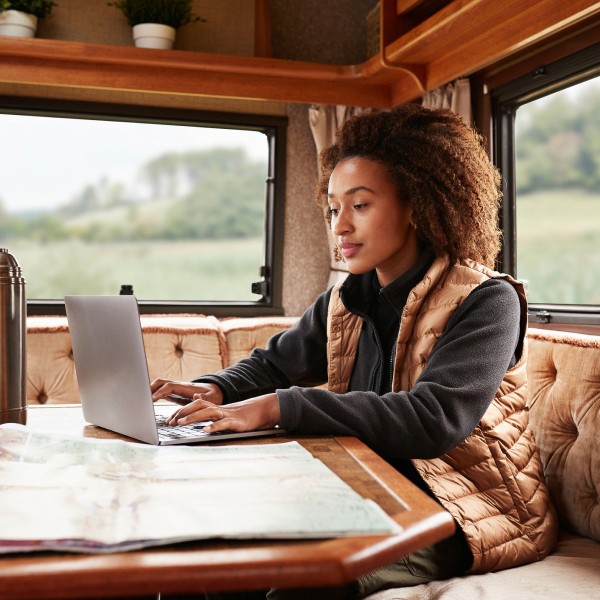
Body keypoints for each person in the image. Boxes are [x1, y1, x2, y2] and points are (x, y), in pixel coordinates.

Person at [151, 104, 558, 599]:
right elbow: (277, 363)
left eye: (360, 205)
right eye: (333, 208)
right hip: (373, 487)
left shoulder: (488, 301)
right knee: (215, 560)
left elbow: (433, 419)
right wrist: (216, 386)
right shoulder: (346, 297)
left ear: (415, 205)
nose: (339, 226)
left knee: (303, 586)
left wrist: (279, 406)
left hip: (472, 509)